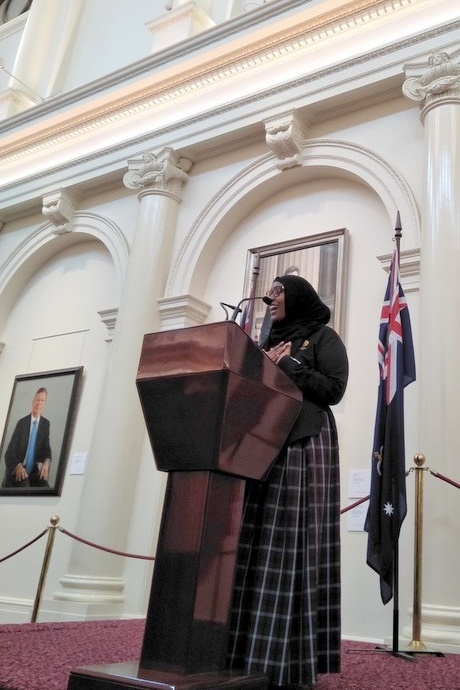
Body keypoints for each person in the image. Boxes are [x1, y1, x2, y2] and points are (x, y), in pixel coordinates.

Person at [228, 274, 349, 689]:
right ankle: (244, 651)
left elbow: (334, 389)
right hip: (260, 446)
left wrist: (290, 364)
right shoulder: (265, 340)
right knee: (256, 543)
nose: (271, 298)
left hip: (302, 443)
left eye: (279, 291)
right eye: (271, 292)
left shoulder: (322, 336)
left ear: (298, 297)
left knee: (289, 545)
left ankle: (288, 661)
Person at [3, 387, 52, 488]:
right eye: (37, 400)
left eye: (42, 400)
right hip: (19, 471)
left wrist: (47, 462)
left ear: (45, 404)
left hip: (34, 472)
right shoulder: (22, 423)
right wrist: (18, 466)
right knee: (26, 487)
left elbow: (46, 449)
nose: (39, 403)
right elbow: (9, 453)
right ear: (33, 402)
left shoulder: (45, 424)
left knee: (46, 489)